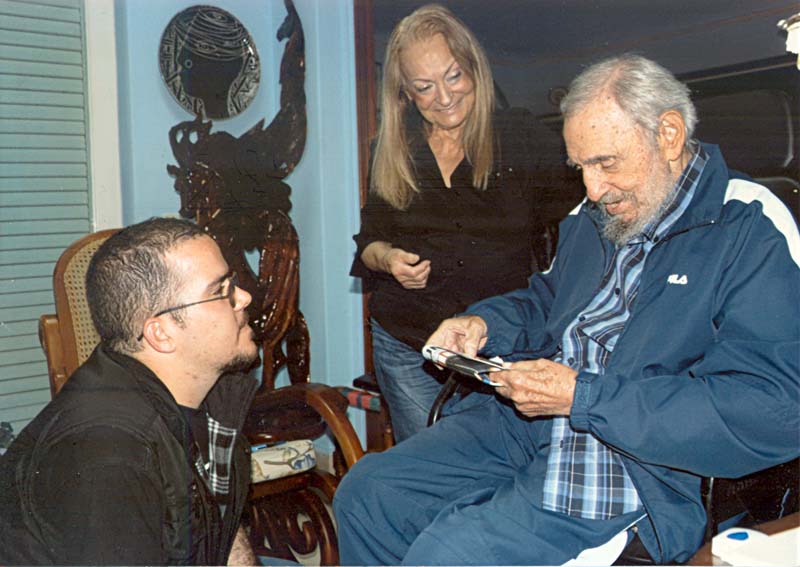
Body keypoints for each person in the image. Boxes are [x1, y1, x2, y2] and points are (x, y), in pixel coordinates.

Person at [334, 54, 800, 565]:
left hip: (636, 457)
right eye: (581, 168)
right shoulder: (596, 214)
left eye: (607, 163)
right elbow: (548, 299)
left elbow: (773, 407)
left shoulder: (750, 226)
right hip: (529, 421)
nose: (592, 190)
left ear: (668, 135)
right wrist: (485, 322)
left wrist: (585, 397)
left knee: (450, 552)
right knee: (369, 493)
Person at [352, 4, 579, 441]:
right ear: (406, 94)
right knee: (426, 468)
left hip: (496, 345)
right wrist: (389, 259)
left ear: (474, 67)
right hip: (409, 343)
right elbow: (368, 242)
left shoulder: (521, 137)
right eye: (424, 87)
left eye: (453, 76)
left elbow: (582, 215)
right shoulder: (393, 150)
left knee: (491, 467)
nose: (443, 97)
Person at [0, 218, 260, 565]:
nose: (244, 297)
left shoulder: (211, 396)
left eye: (233, 282)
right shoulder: (107, 456)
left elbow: (220, 531)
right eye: (219, 291)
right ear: (161, 333)